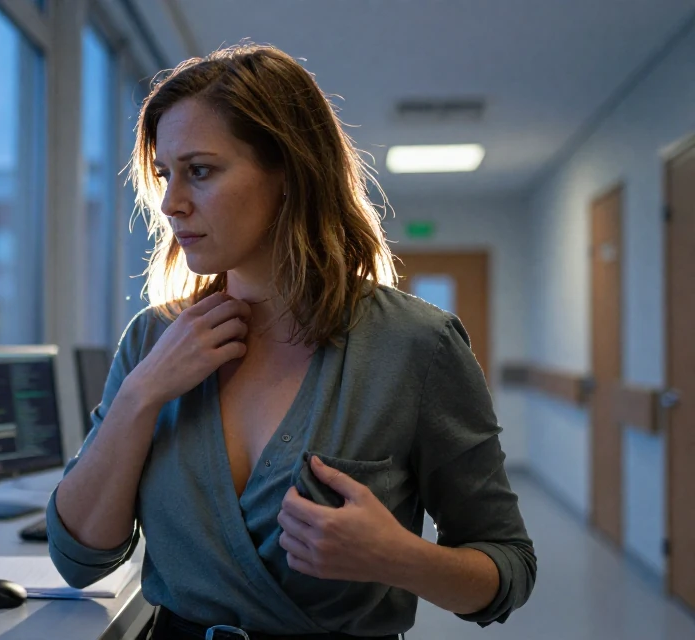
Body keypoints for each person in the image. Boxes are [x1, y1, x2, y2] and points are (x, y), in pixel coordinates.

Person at [45, 43, 535, 640]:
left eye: (199, 171)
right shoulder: (153, 338)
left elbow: (507, 566)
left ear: (290, 172)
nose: (171, 203)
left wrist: (399, 558)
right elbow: (78, 559)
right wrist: (141, 394)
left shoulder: (417, 346)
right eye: (165, 175)